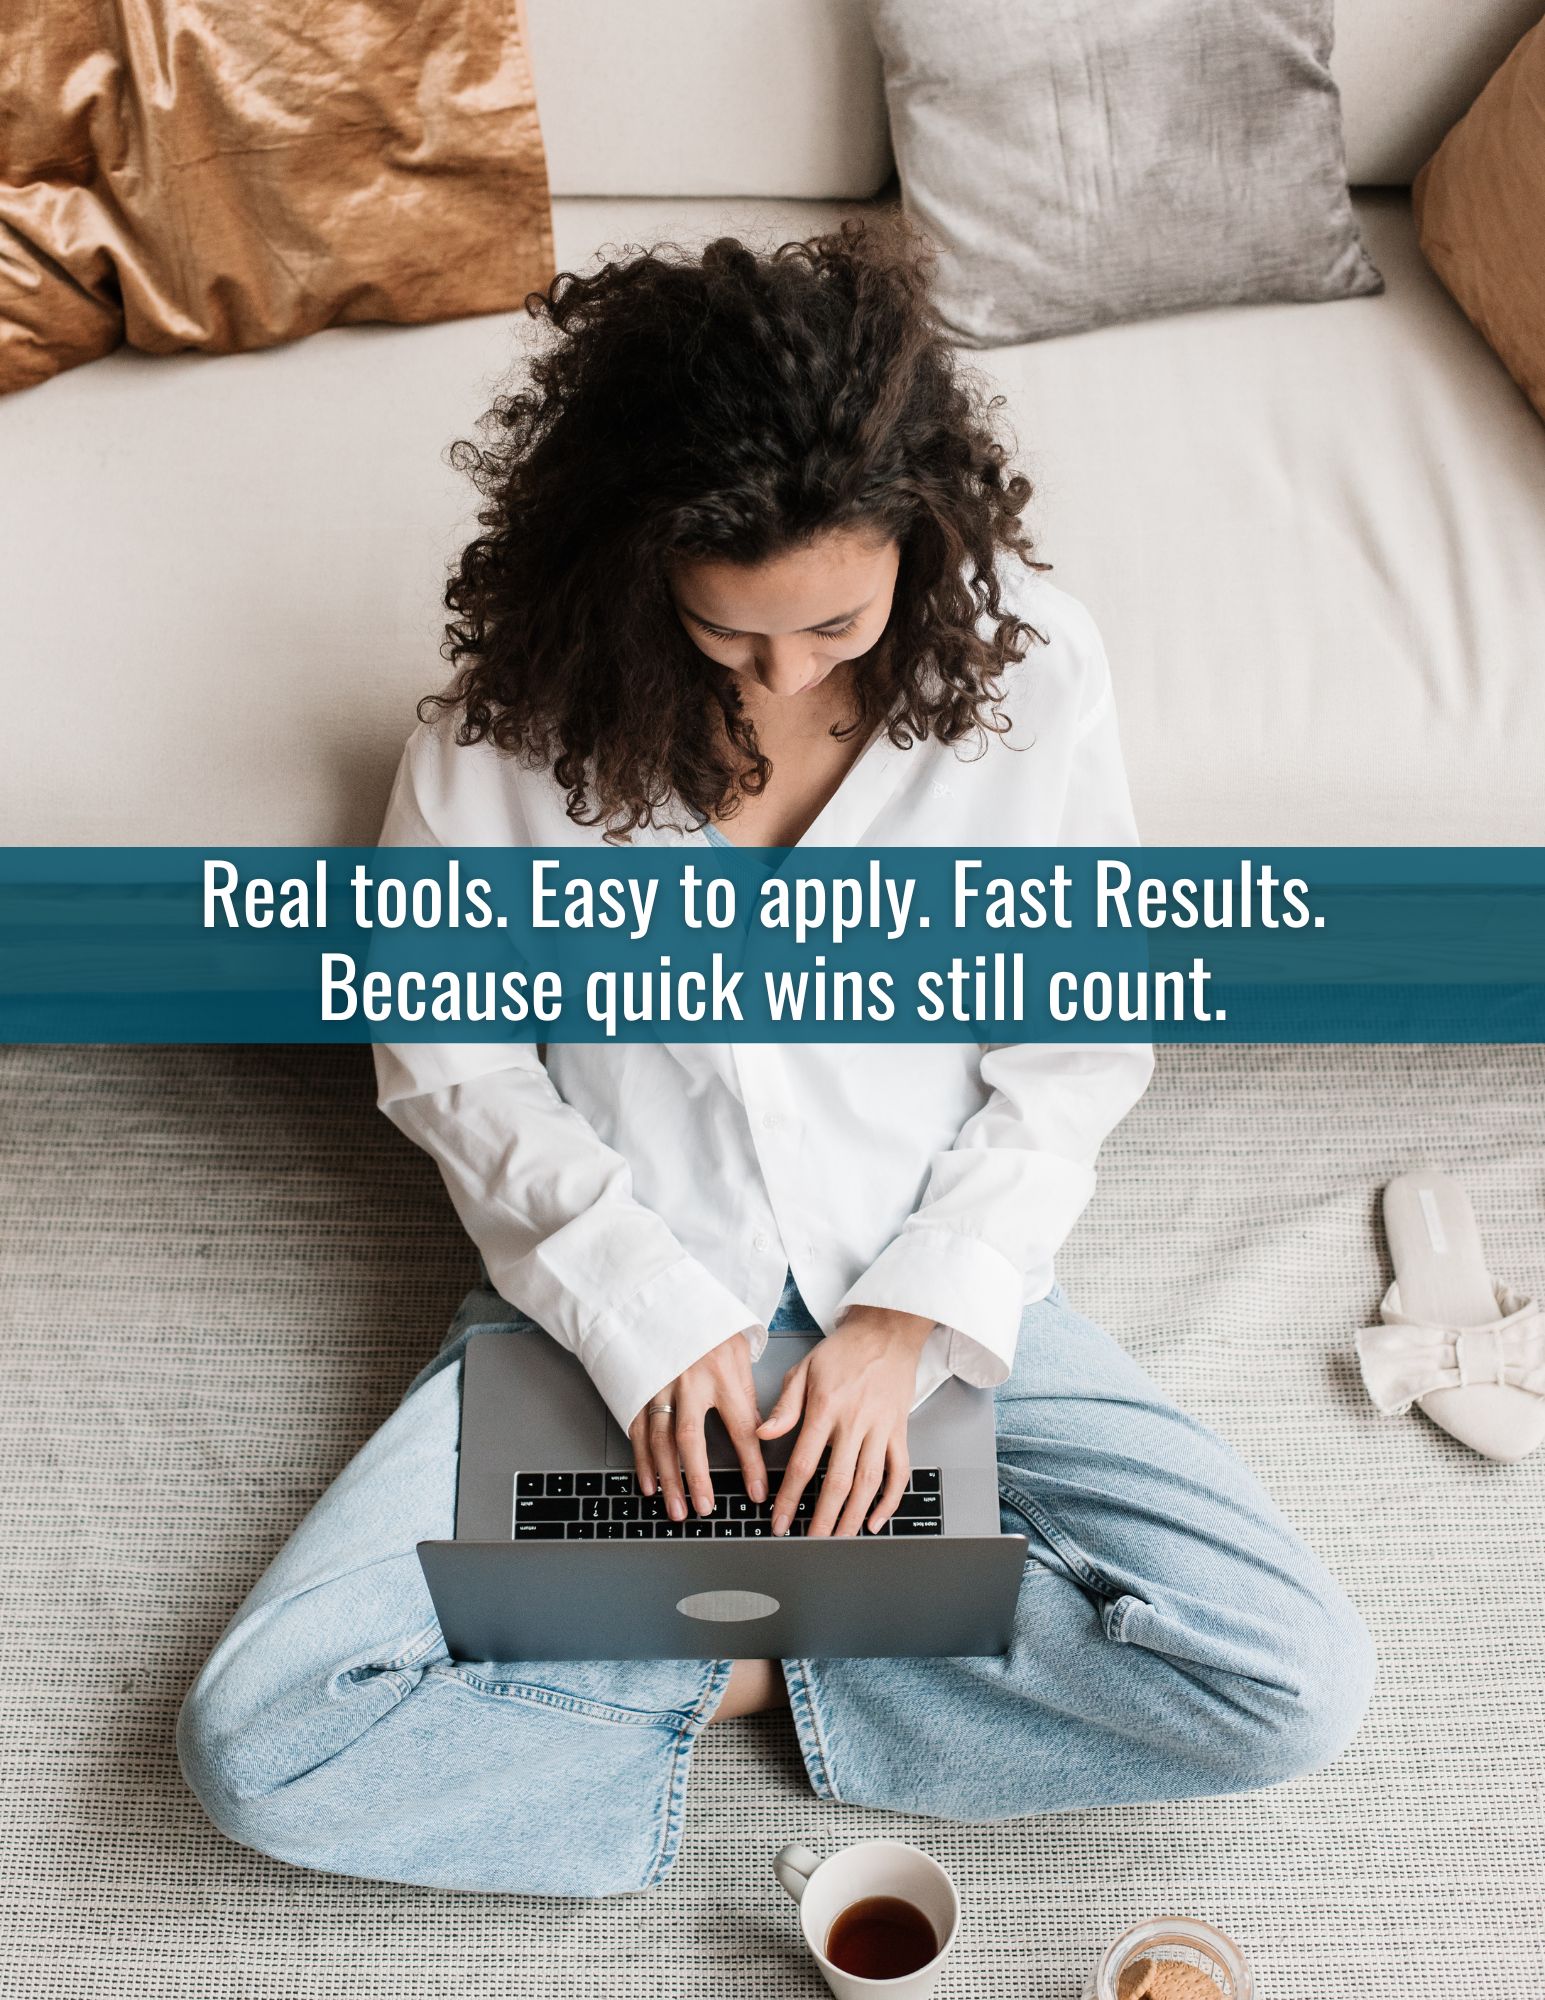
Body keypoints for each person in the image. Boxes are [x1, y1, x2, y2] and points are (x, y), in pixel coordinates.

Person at [177, 222, 1374, 1894]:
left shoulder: (1034, 671)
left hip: (929, 1284)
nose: (790, 676)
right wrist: (647, 1323)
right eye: (731, 637)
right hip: (617, 1292)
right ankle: (783, 1649)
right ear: (633, 563)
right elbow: (450, 1057)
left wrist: (900, 1326)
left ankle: (723, 1662)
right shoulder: (501, 726)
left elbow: (1078, 1027)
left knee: (1288, 1682)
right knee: (265, 1742)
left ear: (919, 533)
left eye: (836, 623)